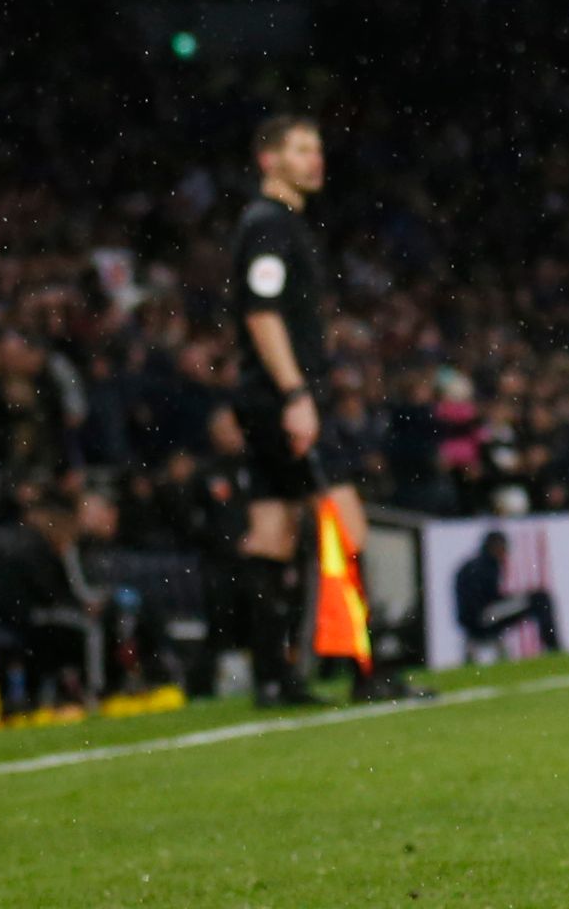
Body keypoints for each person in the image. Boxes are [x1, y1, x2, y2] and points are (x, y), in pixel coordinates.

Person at [227, 112, 397, 703]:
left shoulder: (275, 224)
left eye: (317, 149)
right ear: (269, 161)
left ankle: (274, 679)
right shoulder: (272, 226)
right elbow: (261, 312)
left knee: (271, 533)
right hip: (286, 398)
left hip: (263, 395)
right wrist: (297, 395)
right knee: (345, 528)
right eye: (301, 150)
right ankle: (364, 673)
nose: (315, 160)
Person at [453, 523, 564, 661]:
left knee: (534, 599)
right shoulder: (488, 566)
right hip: (483, 617)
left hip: (472, 619)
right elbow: (490, 599)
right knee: (540, 599)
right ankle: (554, 648)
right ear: (496, 548)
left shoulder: (472, 565)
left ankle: (553, 647)